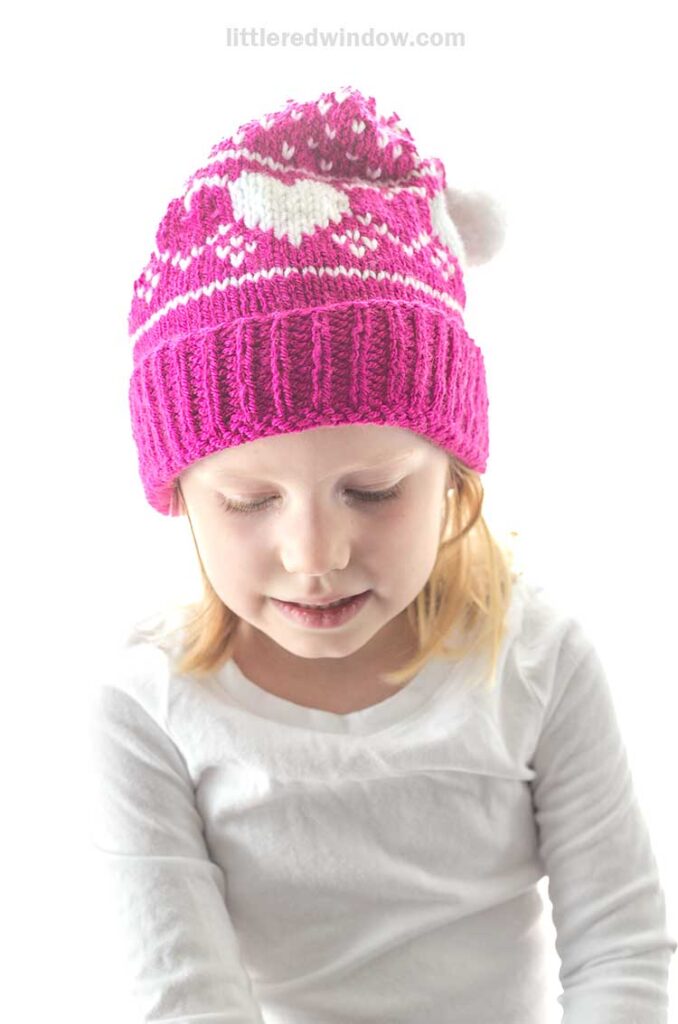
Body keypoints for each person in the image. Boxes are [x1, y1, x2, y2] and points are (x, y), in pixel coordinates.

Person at [87, 84, 676, 1023]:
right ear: (180, 496)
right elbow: (185, 1000)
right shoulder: (148, 706)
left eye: (373, 492)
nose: (314, 554)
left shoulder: (538, 659)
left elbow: (622, 948)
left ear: (453, 476)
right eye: (249, 501)